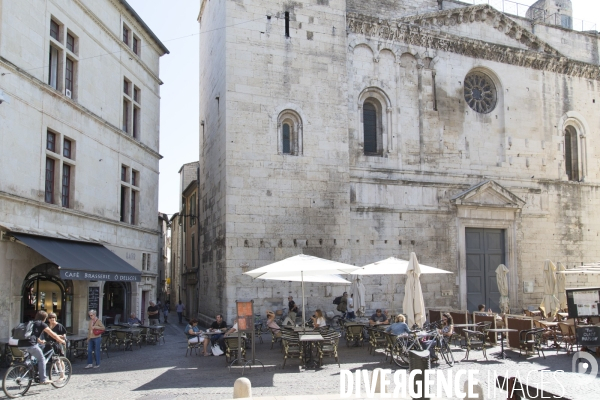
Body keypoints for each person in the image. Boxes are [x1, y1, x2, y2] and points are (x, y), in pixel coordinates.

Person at [16, 310, 66, 384]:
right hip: (31, 344)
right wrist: (61, 341)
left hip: (21, 344)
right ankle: (43, 379)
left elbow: (33, 335)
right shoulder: (42, 324)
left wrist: (40, 341)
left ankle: (29, 371)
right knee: (42, 359)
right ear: (45, 318)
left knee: (32, 360)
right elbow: (53, 334)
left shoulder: (31, 322)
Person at [44, 312, 67, 380]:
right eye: (50, 318)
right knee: (48, 359)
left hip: (57, 344)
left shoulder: (59, 325)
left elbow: (63, 336)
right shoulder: (47, 326)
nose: (52, 319)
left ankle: (62, 375)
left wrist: (55, 335)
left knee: (59, 360)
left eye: (53, 318)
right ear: (48, 319)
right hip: (49, 344)